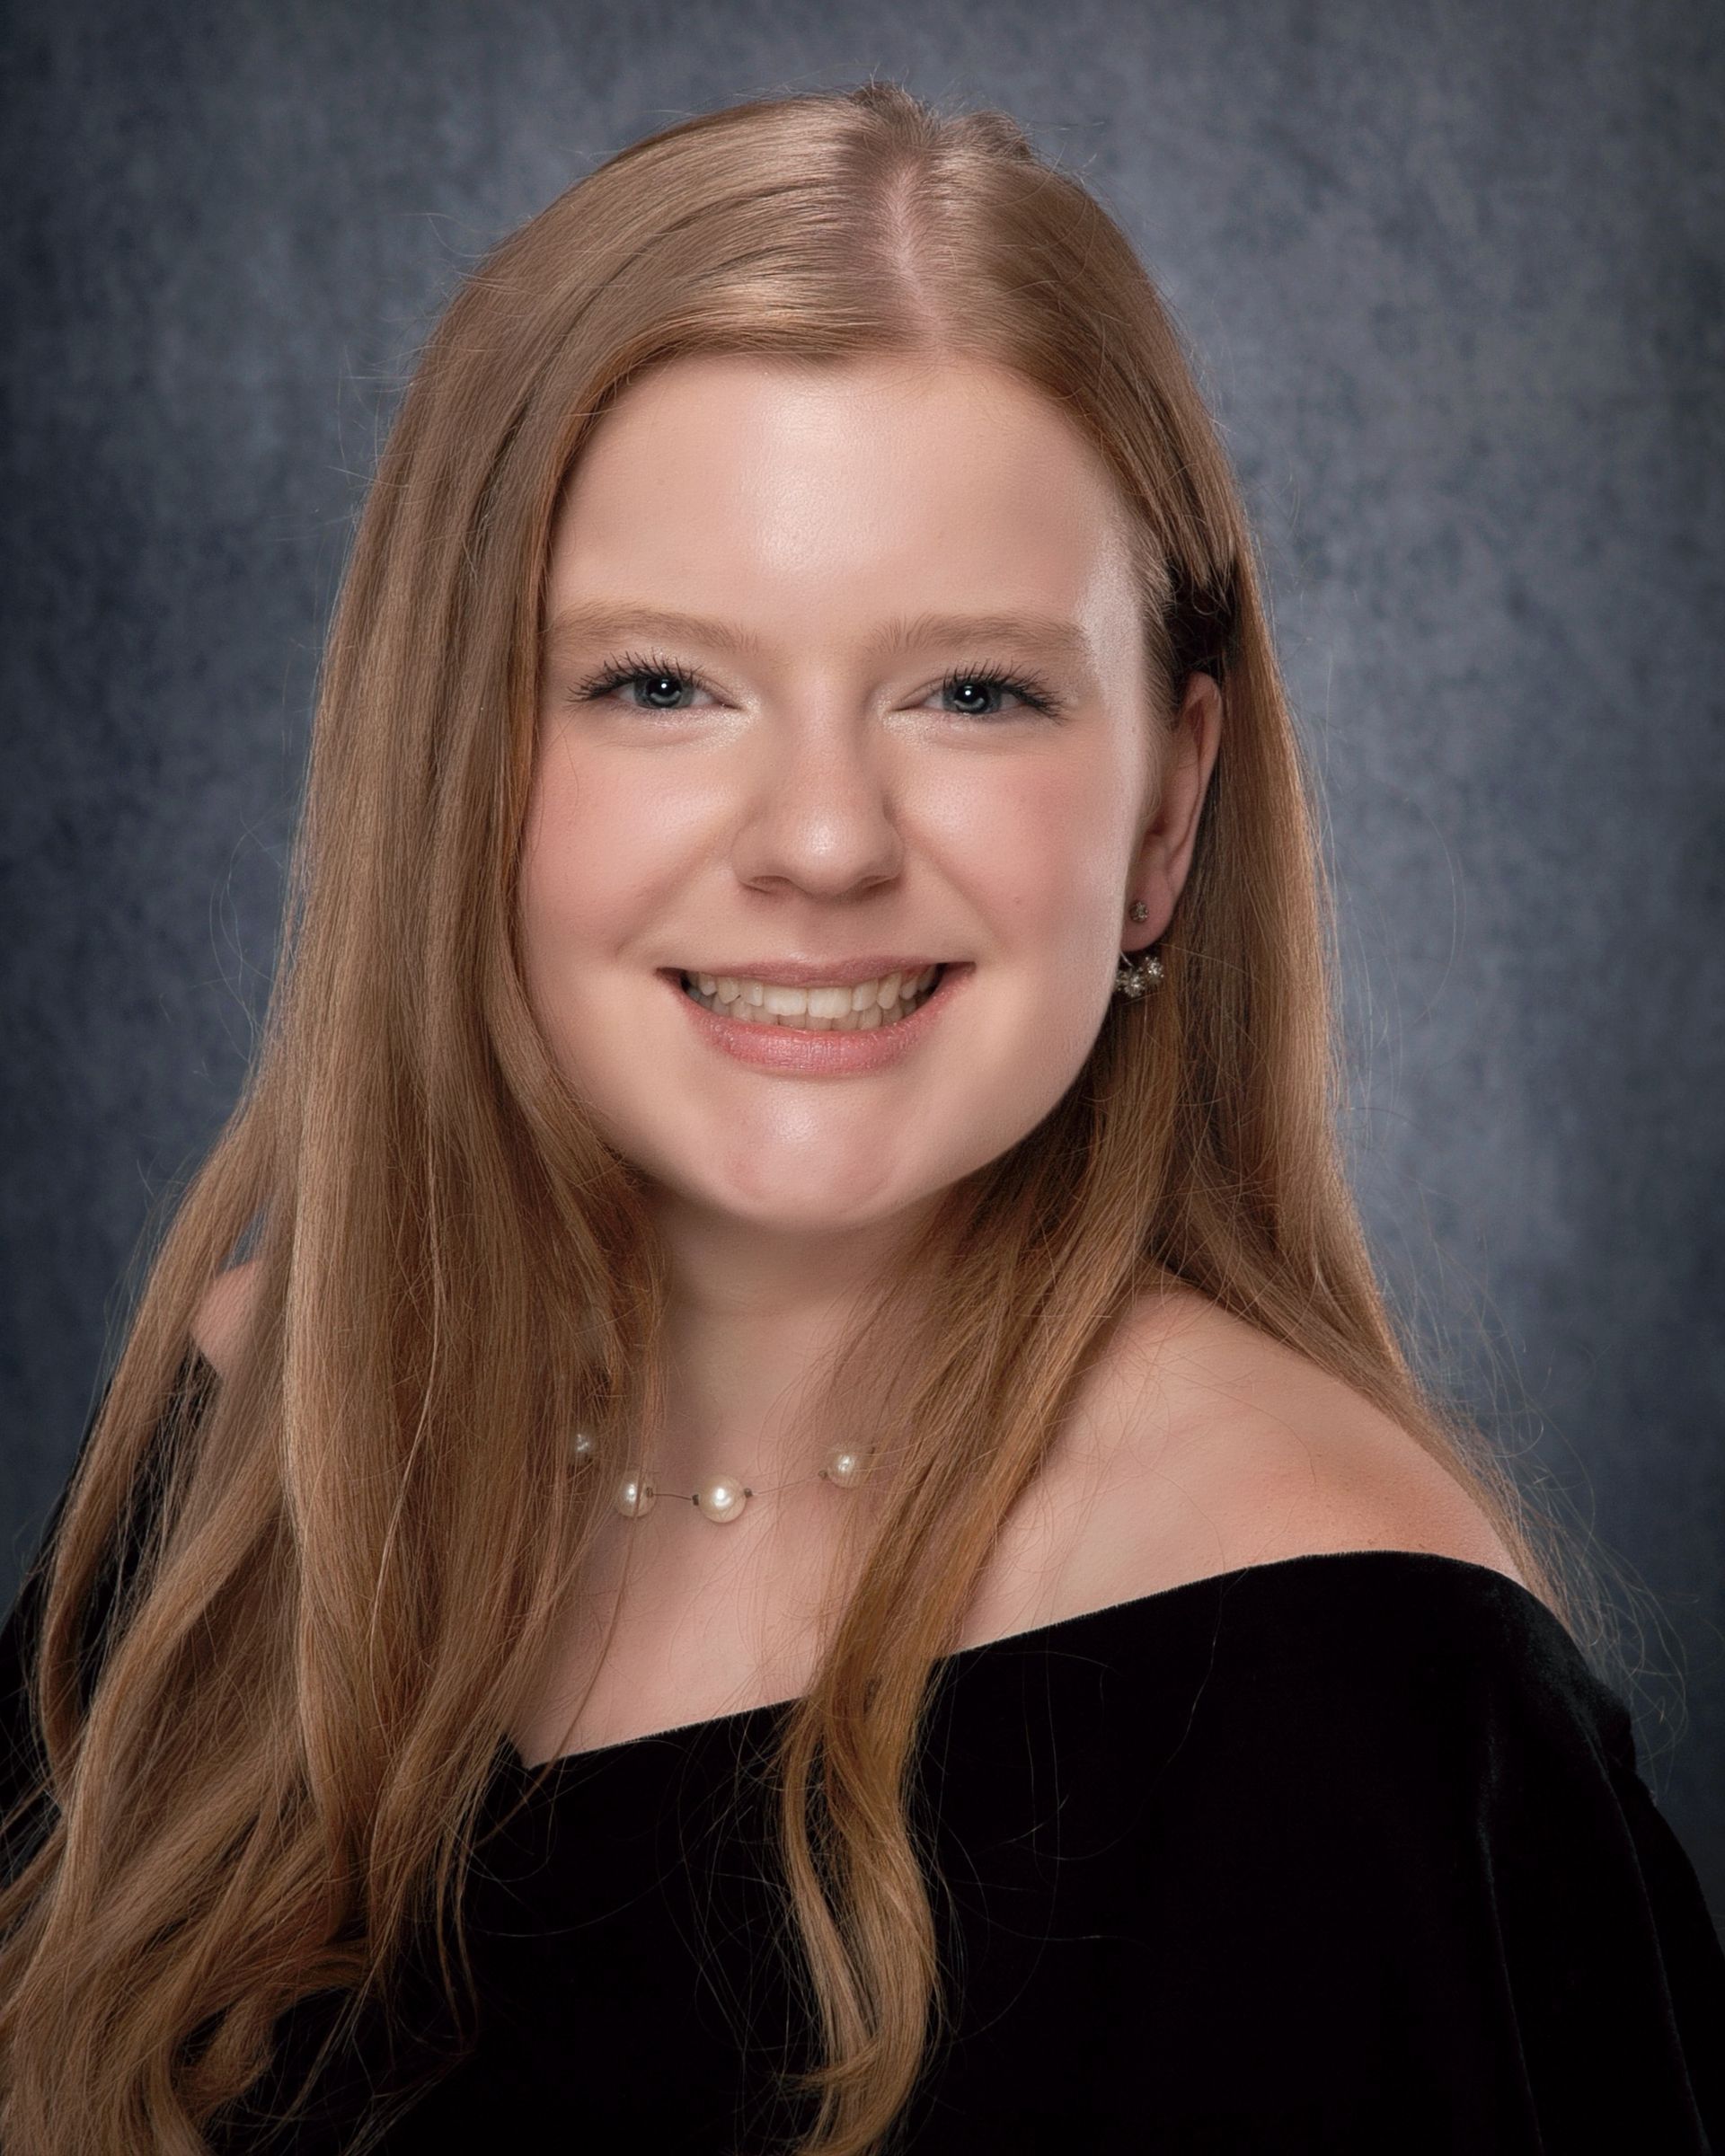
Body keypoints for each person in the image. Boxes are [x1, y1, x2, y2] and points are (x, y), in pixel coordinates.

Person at [0, 79, 1720, 2156]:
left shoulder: (1365, 1682)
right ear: (449, 763)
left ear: (1166, 814)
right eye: (659, 684)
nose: (822, 842)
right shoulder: (257, 1435)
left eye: (974, 692)